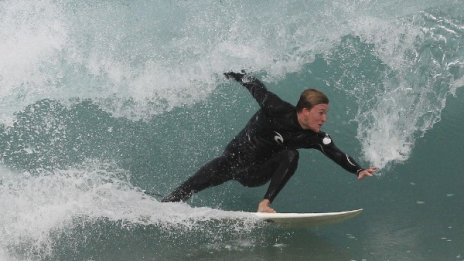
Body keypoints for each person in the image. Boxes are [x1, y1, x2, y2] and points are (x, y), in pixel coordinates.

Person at [162, 71, 378, 213]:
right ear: (304, 111)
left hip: (255, 173)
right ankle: (163, 207)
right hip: (231, 160)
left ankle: (265, 204)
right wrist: (229, 71)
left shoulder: (315, 137)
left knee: (291, 154)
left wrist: (357, 170)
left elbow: (336, 153)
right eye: (320, 113)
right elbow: (255, 86)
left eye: (325, 114)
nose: (324, 119)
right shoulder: (275, 108)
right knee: (187, 188)